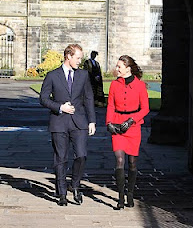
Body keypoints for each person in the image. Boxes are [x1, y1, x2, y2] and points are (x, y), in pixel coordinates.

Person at [40, 44, 96, 206]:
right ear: (68, 56)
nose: (80, 61)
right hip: (59, 122)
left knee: (81, 155)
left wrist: (92, 120)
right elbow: (43, 99)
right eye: (78, 58)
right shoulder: (52, 76)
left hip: (79, 122)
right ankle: (62, 194)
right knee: (61, 159)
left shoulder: (84, 75)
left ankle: (75, 185)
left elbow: (89, 98)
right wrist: (59, 107)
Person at [106, 55, 149, 209]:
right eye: (117, 66)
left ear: (128, 68)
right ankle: (120, 197)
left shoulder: (140, 86)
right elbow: (110, 105)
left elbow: (145, 108)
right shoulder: (114, 85)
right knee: (119, 160)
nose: (116, 69)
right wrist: (109, 123)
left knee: (132, 163)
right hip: (117, 126)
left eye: (119, 66)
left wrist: (131, 120)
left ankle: (130, 193)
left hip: (133, 127)